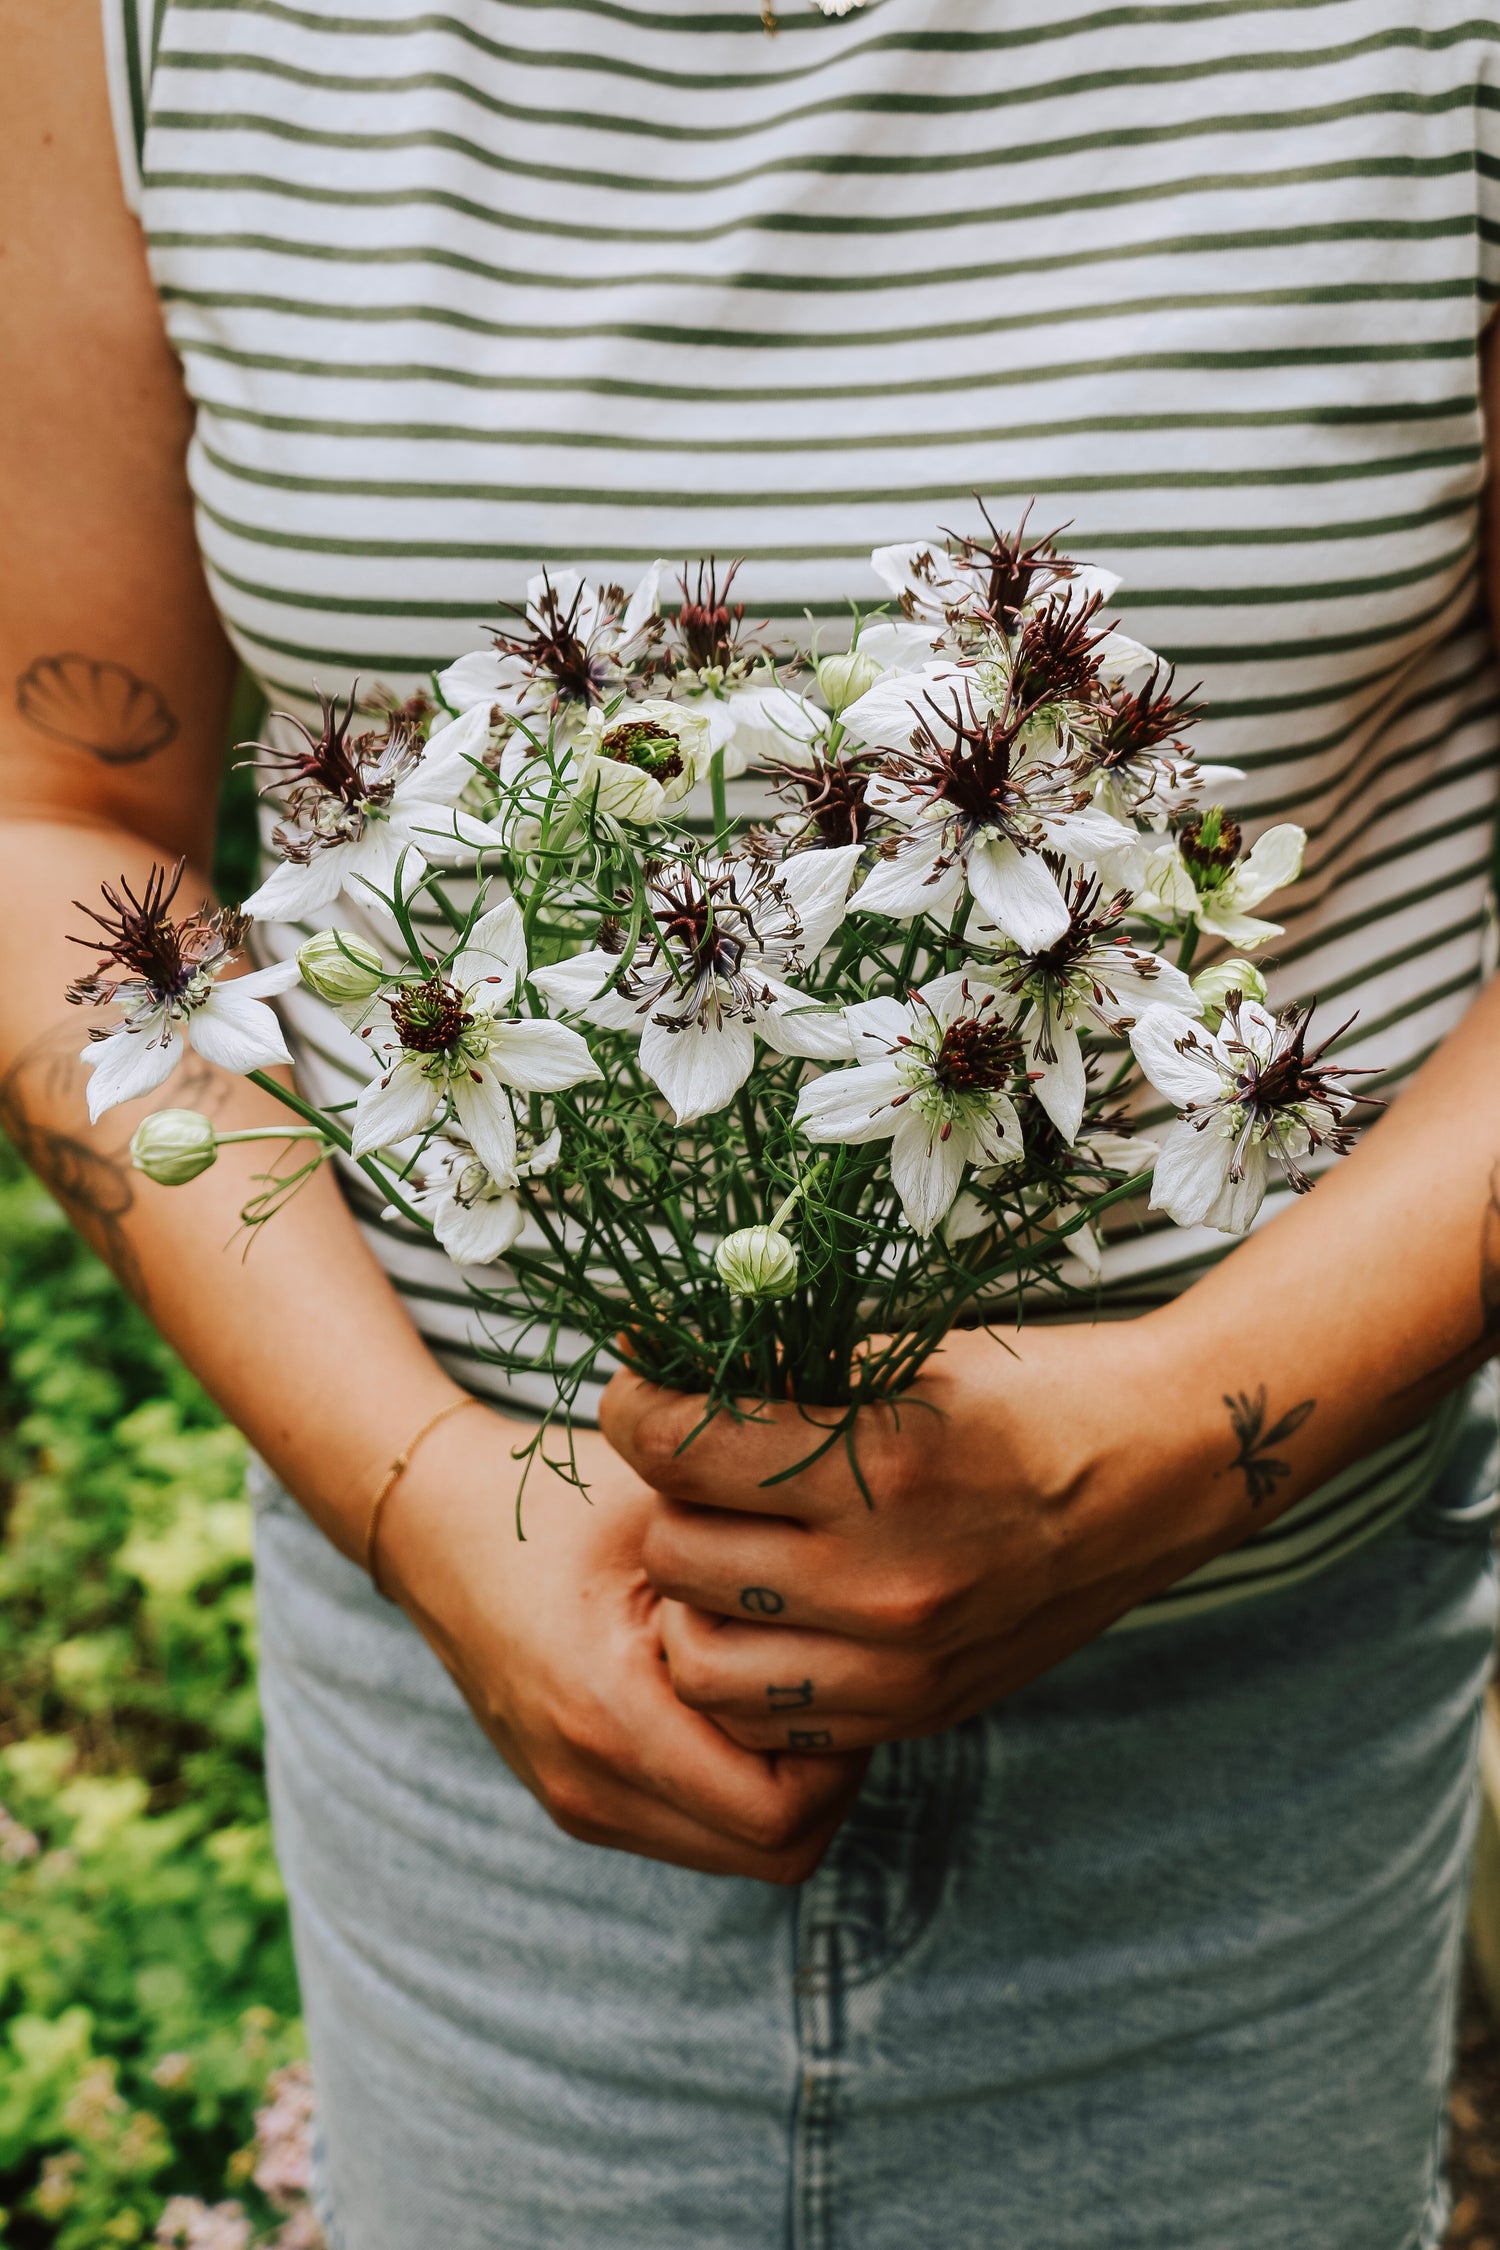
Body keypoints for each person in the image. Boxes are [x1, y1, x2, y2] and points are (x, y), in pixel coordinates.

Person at [4, 0, 1500, 2241]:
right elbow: (55, 809)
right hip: (466, 1715)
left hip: (1249, 1713)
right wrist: (421, 1496)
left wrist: (1181, 1427)